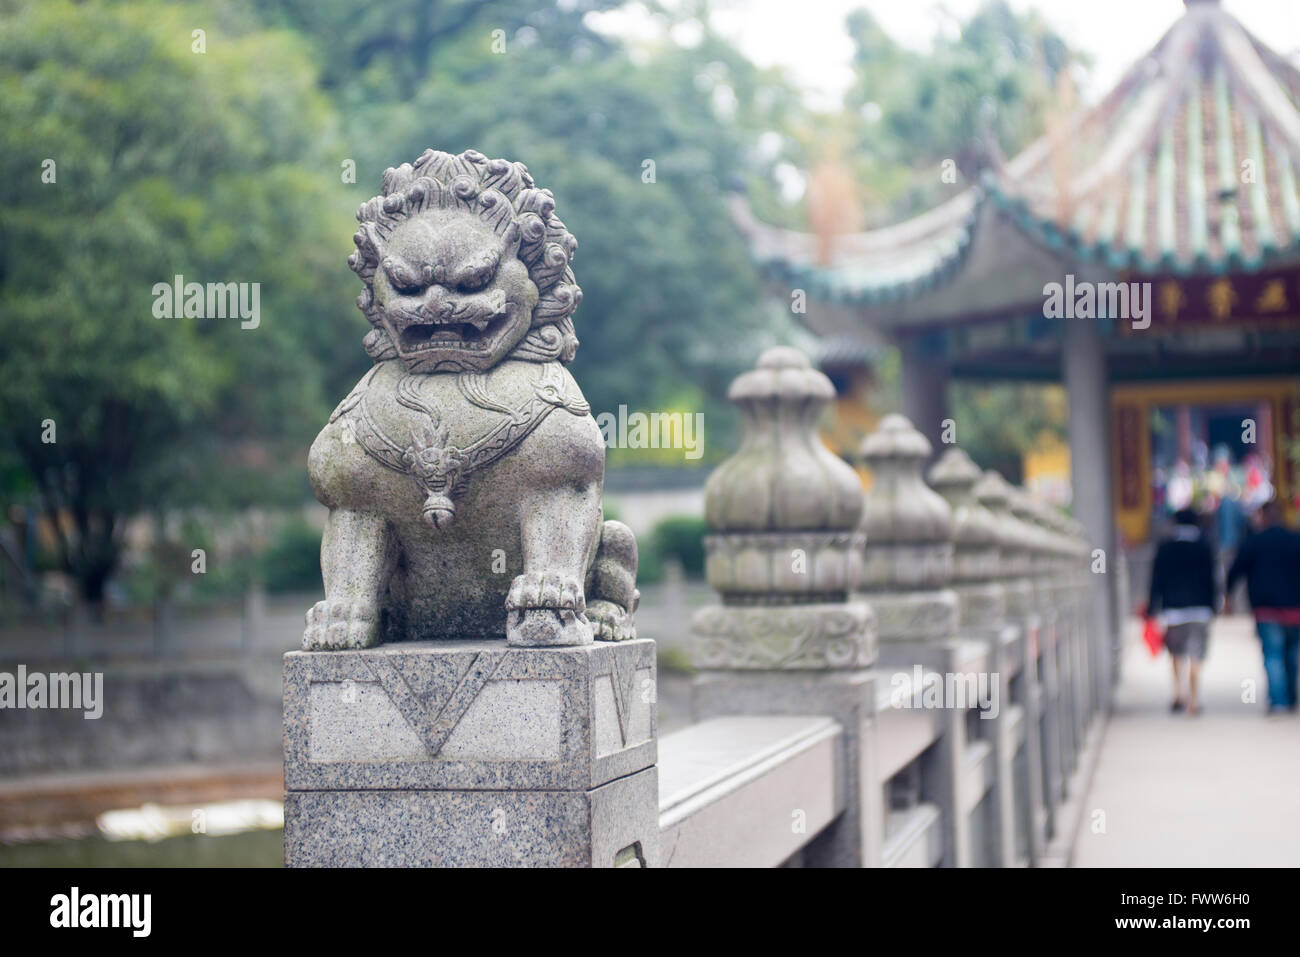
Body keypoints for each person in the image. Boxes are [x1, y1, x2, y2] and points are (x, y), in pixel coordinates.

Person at [1226, 500, 1300, 714]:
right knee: (1291, 655)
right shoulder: (1295, 540)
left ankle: (1278, 702)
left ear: (1264, 517)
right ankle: (1291, 698)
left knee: (1273, 655)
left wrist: (1228, 595)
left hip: (1266, 608)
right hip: (1295, 609)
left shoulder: (1255, 542)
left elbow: (1236, 569)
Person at [1147, 508, 1218, 715]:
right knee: (1196, 654)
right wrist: (1214, 606)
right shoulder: (1205, 547)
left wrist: (1153, 606)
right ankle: (1194, 701)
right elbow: (1213, 579)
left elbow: (1156, 579)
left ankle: (1178, 693)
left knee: (1176, 653)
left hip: (1173, 610)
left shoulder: (1165, 547)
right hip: (1201, 609)